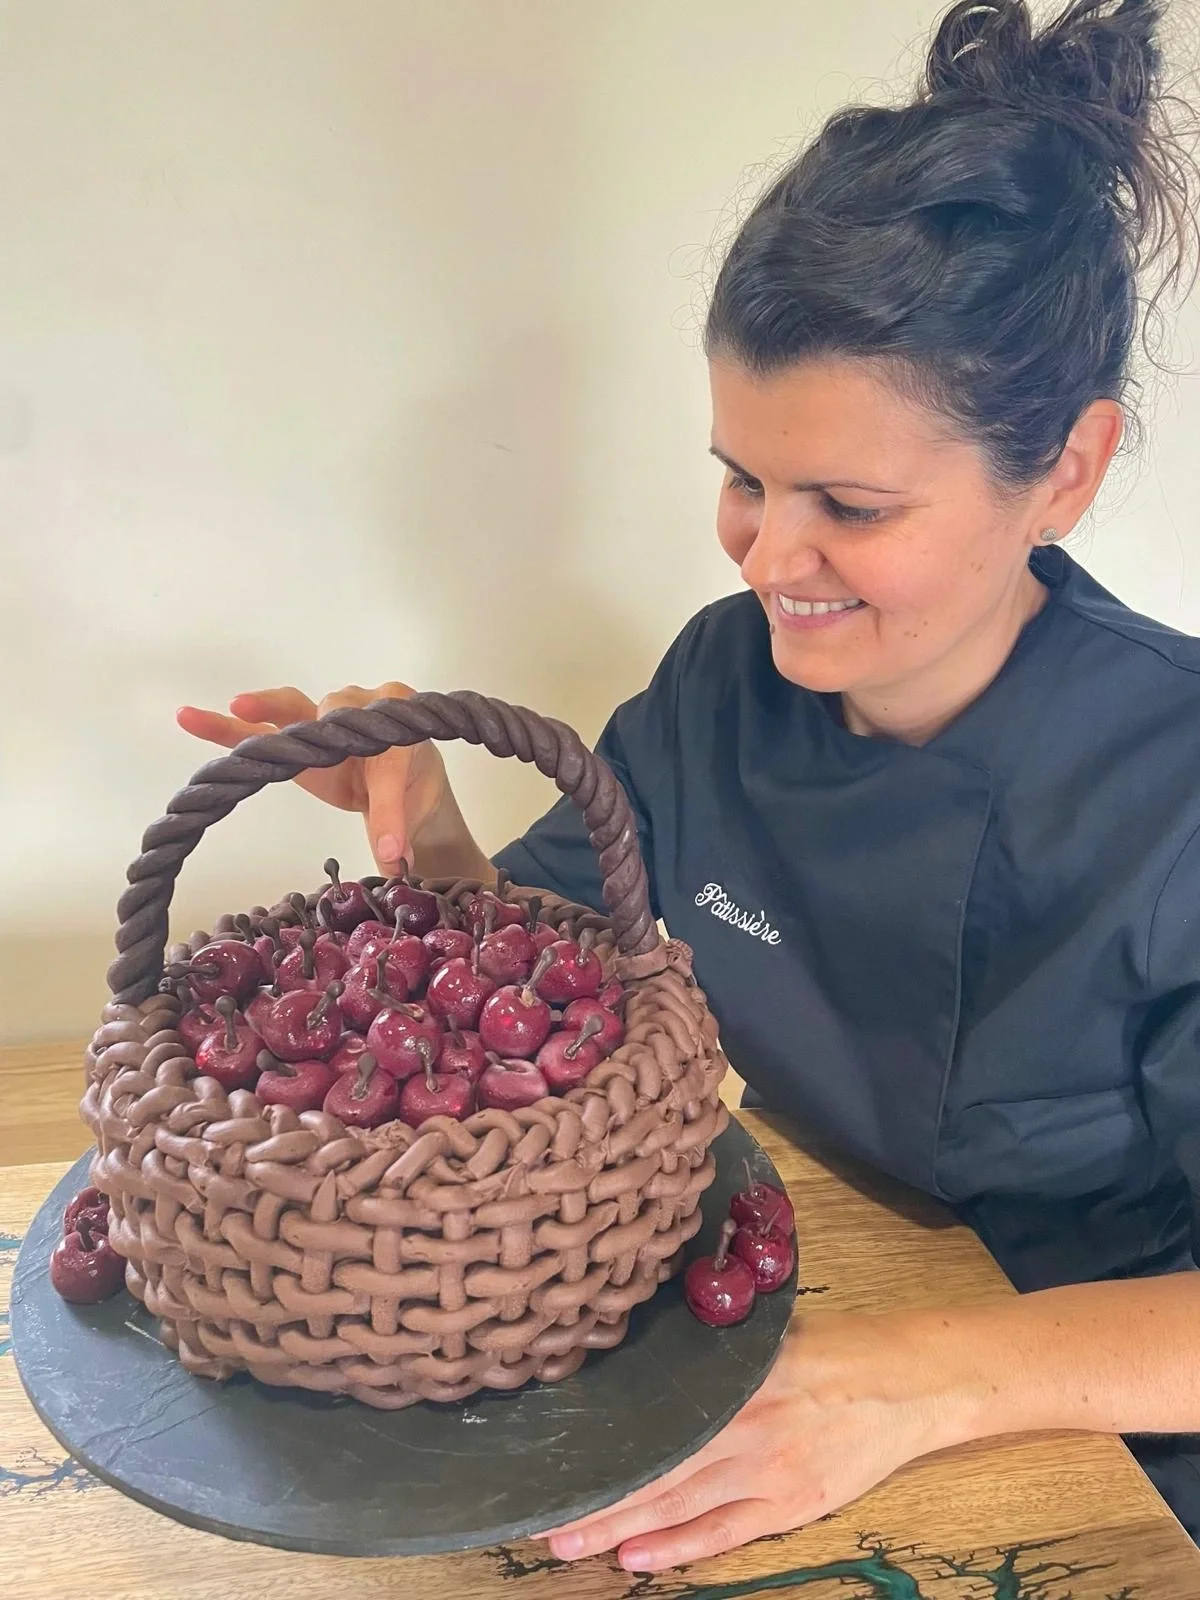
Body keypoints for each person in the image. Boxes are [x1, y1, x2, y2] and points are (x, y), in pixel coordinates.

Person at [179, 0, 1200, 1574]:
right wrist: (425, 822)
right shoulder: (726, 677)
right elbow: (545, 995)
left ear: (1063, 470)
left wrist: (907, 1381)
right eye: (741, 479)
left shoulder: (1173, 791)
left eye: (849, 504)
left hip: (1093, 1425)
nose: (767, 558)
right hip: (808, 1295)